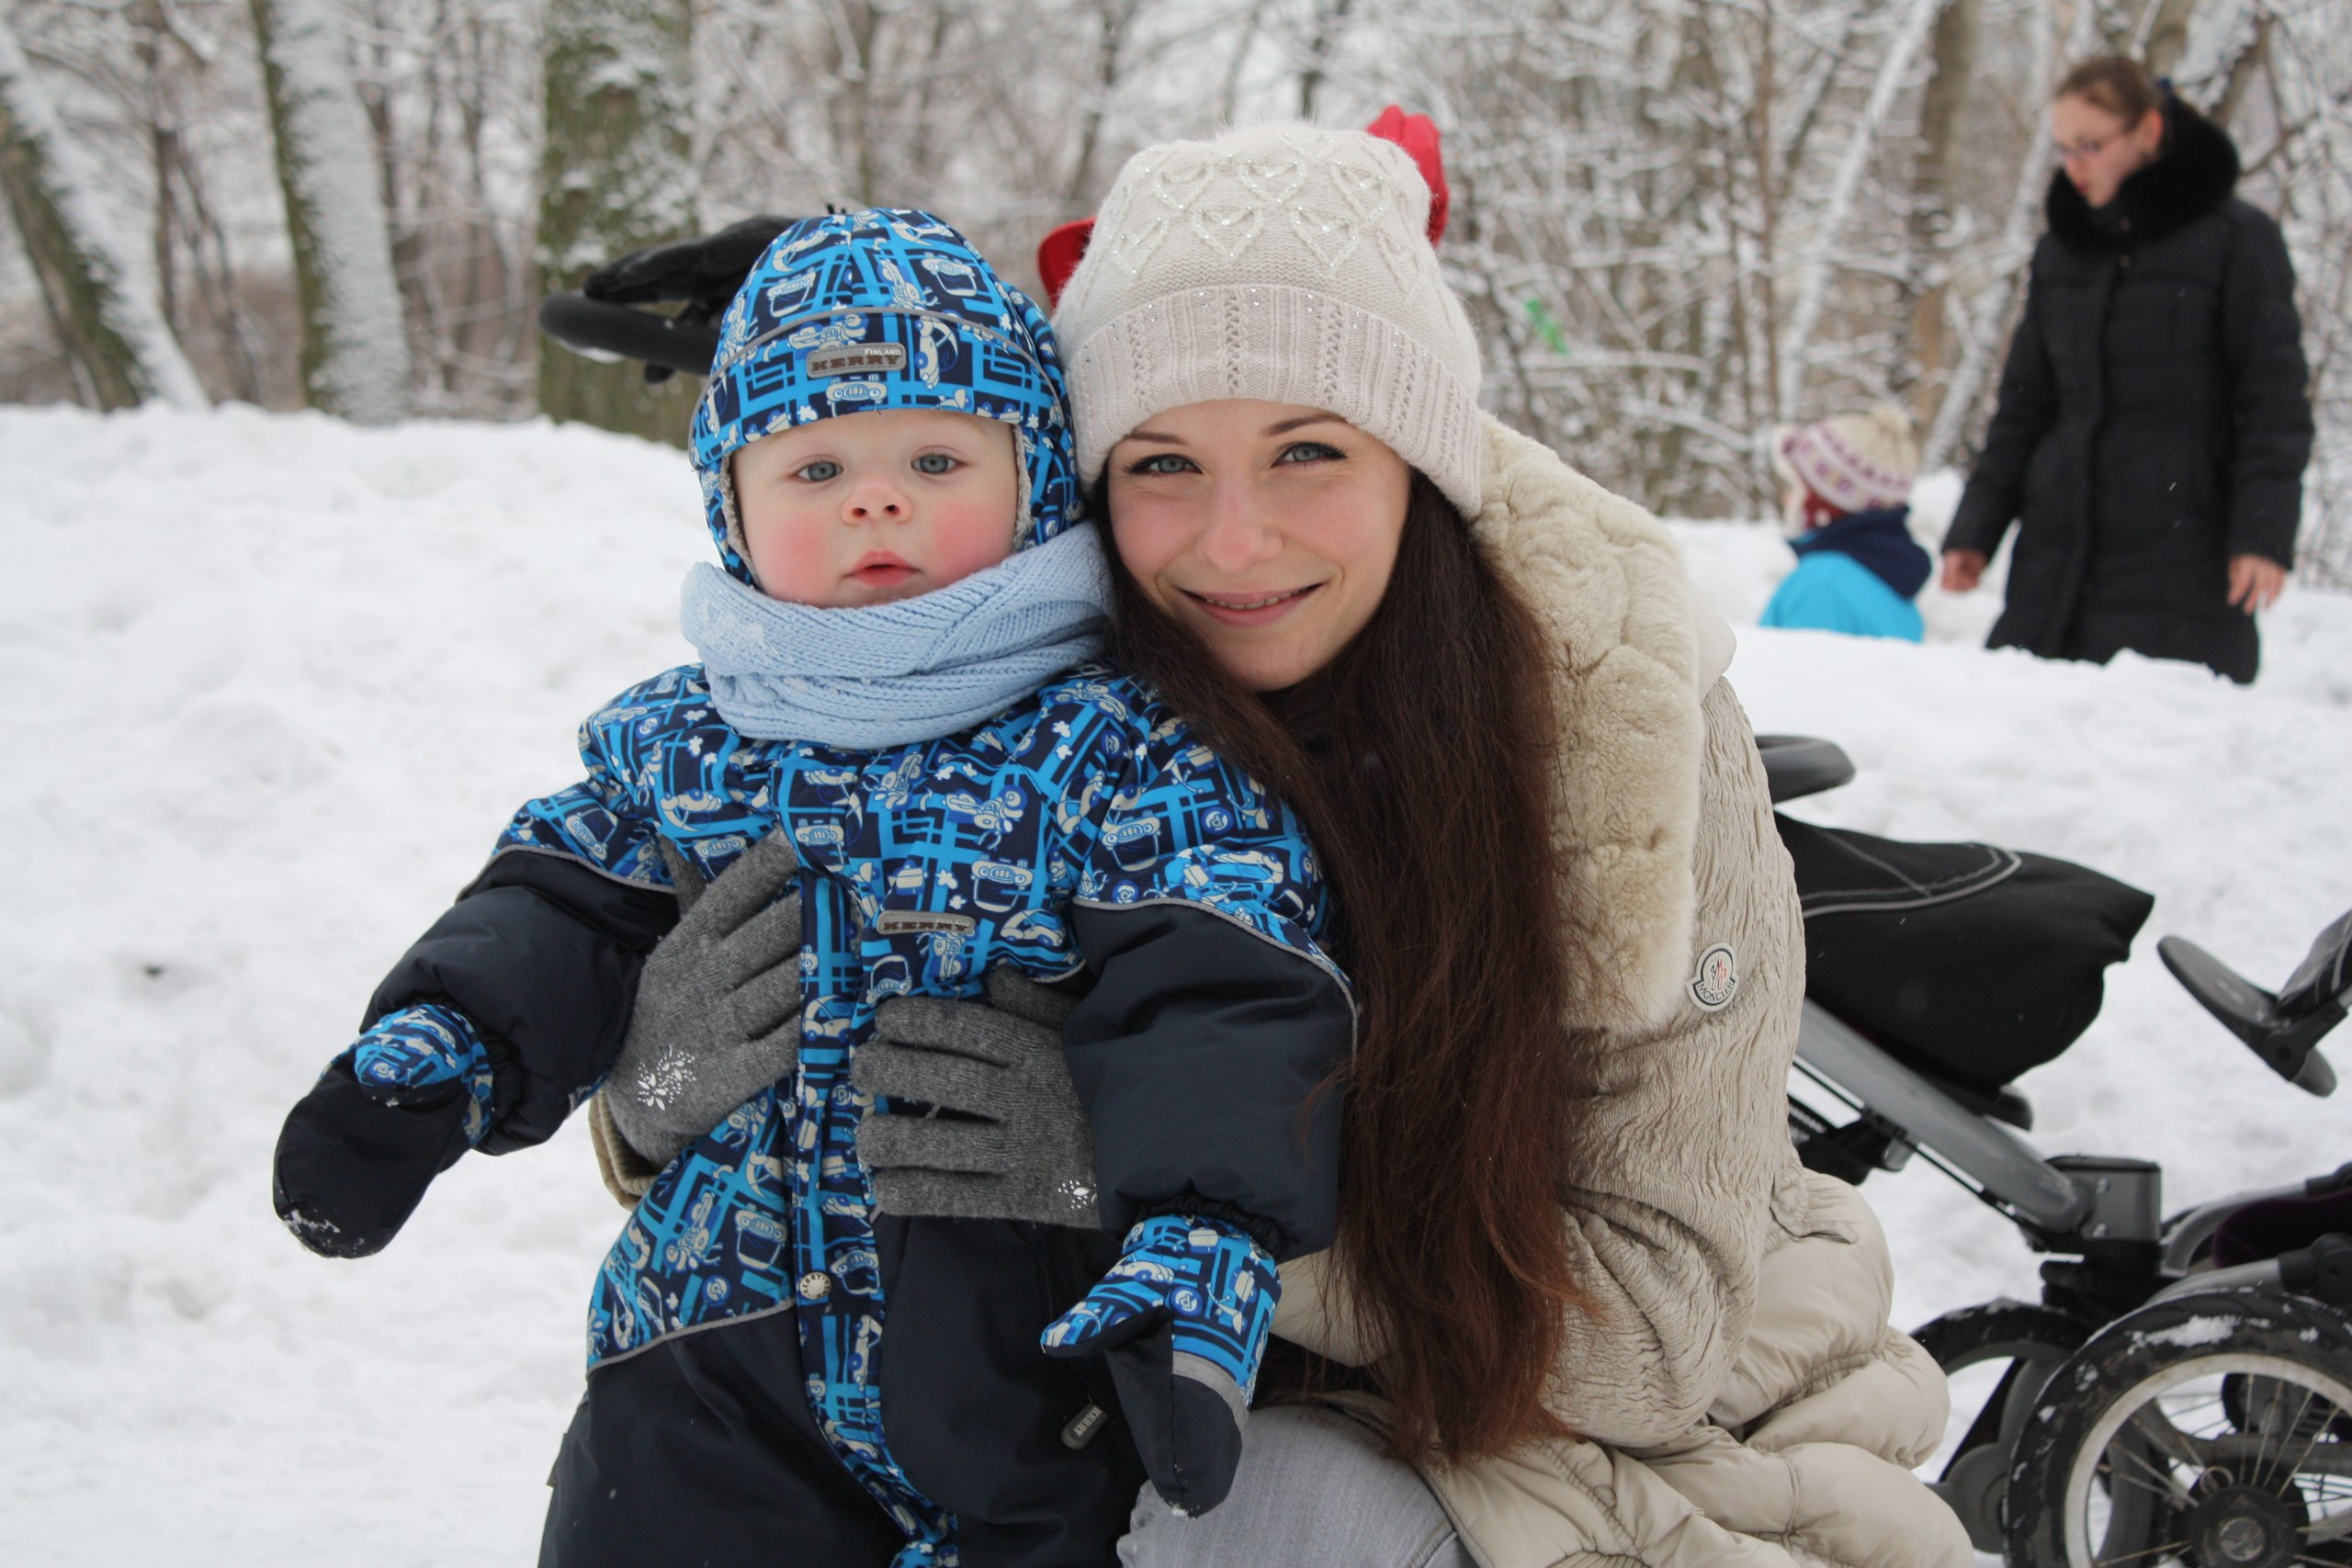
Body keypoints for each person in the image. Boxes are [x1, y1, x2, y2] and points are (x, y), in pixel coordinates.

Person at [589, 126, 1971, 1567]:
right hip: (1125, 1424)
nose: (1234, 540)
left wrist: (1176, 1201)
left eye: (1307, 450)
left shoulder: (1606, 739)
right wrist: (651, 1089)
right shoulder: (1025, 686)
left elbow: (1648, 1338)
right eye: (1164, 462)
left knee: (1248, 1519)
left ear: (1415, 459)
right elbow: (836, 1141)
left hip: (1607, 1453)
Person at [270, 209, 1360, 1565]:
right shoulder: (682, 744)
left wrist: (1197, 1238)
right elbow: (557, 905)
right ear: (730, 507)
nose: (874, 499)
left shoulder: (1123, 748)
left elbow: (1226, 988)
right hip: (702, 1370)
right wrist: (444, 1044)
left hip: (1026, 1375)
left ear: (1036, 481)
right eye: (816, 465)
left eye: (935, 459)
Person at [1940, 55, 2312, 683]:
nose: (2074, 166)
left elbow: (2274, 402)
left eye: (2090, 145)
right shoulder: (2062, 252)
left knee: (2153, 732)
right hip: (2054, 568)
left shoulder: (2235, 240)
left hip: (2183, 563)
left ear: (2147, 131)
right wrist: (1976, 529)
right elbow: (2025, 405)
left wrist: (2262, 534)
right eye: (2063, 149)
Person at [1759, 406, 1931, 640]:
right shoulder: (1890, 577)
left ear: (1827, 499)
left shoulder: (1820, 587)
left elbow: (1793, 664)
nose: (1787, 499)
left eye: (1798, 486)